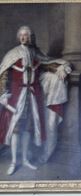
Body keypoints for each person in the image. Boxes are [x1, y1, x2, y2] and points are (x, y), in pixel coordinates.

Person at [0, 26, 71, 175]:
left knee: (28, 129)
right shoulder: (12, 54)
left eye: (27, 35)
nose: (25, 38)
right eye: (22, 36)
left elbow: (49, 64)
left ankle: (25, 160)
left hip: (32, 97)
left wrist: (63, 68)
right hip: (16, 96)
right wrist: (3, 95)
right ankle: (14, 162)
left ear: (30, 37)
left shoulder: (35, 53)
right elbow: (4, 75)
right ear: (19, 37)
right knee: (15, 130)